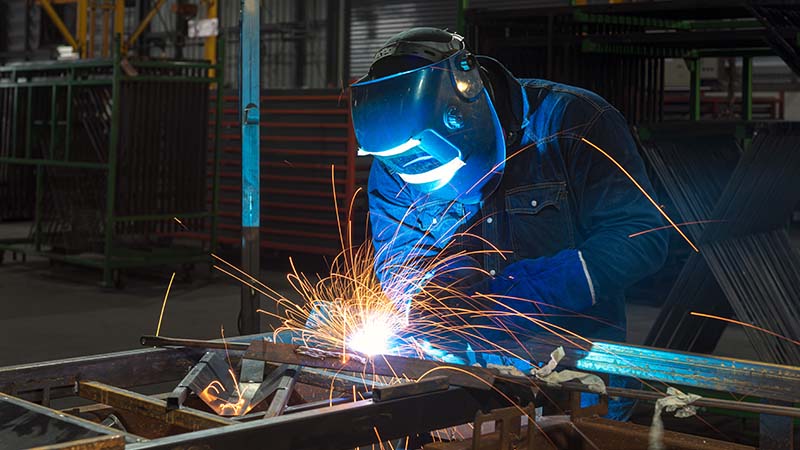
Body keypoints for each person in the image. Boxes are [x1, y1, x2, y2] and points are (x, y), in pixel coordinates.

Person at [351, 28, 668, 418]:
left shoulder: (575, 121)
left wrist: (528, 294)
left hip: (577, 378)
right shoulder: (395, 160)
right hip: (465, 377)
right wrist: (434, 288)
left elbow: (641, 236)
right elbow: (401, 259)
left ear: (467, 97)